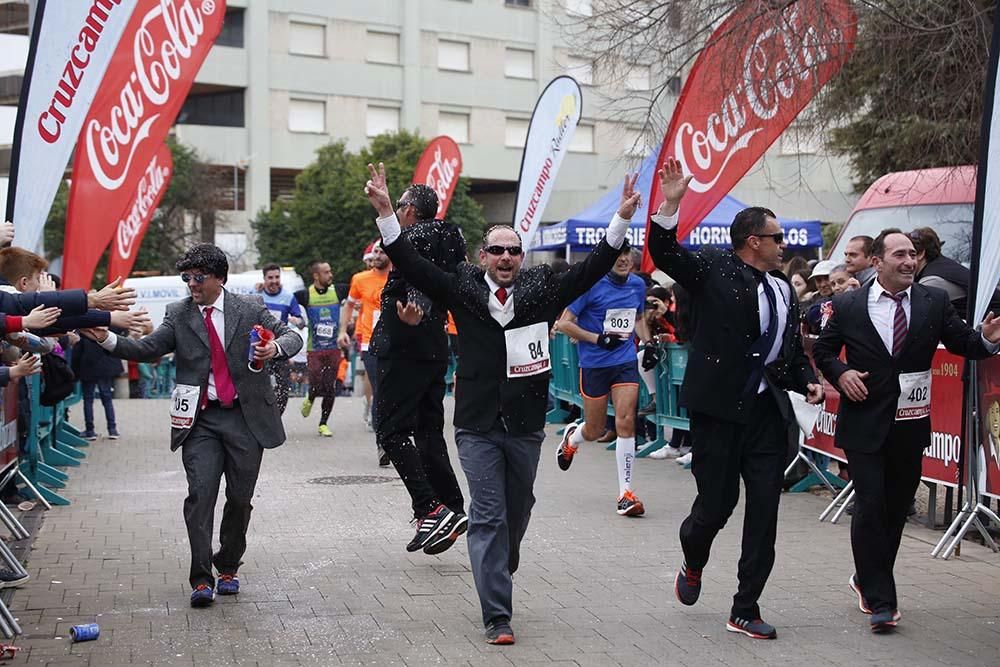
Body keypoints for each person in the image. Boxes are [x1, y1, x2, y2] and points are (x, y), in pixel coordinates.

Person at [365, 162, 642, 645]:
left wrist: (620, 219)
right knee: (488, 513)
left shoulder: (541, 289)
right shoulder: (462, 288)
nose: (507, 257)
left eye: (514, 250)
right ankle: (497, 614)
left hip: (526, 423)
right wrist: (388, 213)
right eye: (497, 250)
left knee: (518, 510)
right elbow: (411, 263)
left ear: (521, 256)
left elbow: (593, 267)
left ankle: (500, 560)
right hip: (475, 424)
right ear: (483, 256)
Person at [645, 158, 824, 641]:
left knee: (765, 510)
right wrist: (672, 201)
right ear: (753, 242)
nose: (783, 245)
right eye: (776, 237)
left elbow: (785, 354)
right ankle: (694, 558)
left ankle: (745, 607)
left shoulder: (784, 288)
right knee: (716, 505)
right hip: (719, 412)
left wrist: (805, 378)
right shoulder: (713, 269)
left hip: (766, 414)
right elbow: (663, 251)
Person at [80, 243, 302, 608]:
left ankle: (228, 565)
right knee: (200, 496)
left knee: (240, 500)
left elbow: (292, 336)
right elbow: (148, 348)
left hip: (245, 419)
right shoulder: (178, 313)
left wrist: (274, 348)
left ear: (219, 278)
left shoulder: (249, 308)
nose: (191, 285)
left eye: (198, 278)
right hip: (201, 421)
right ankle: (201, 579)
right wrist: (106, 338)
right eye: (186, 278)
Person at [812, 228, 1000, 633]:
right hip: (864, 422)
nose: (909, 261)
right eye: (899, 254)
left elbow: (964, 342)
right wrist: (842, 374)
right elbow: (825, 352)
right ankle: (882, 600)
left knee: (896, 509)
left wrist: (985, 340)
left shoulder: (934, 301)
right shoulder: (848, 304)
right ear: (877, 262)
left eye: (913, 254)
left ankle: (867, 577)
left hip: (910, 425)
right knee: (870, 504)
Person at [367, 182, 469, 557]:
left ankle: (429, 506)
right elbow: (437, 276)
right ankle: (452, 509)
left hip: (405, 345)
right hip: (432, 348)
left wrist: (416, 306)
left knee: (390, 430)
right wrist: (424, 306)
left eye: (401, 207)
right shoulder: (449, 234)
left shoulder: (416, 234)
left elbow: (416, 273)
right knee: (427, 432)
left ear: (409, 211)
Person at [555, 242, 653, 517]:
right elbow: (564, 323)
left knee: (626, 421)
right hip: (594, 364)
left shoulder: (637, 285)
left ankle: (625, 493)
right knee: (595, 430)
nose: (623, 260)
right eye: (617, 255)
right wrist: (597, 338)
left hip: (624, 362)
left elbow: (639, 318)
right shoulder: (591, 285)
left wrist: (649, 342)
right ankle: (573, 438)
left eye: (626, 255)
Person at [338, 241, 390, 465]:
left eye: (381, 252)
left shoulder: (402, 276)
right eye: (375, 252)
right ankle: (383, 444)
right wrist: (343, 330)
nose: (376, 255)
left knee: (395, 393)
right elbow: (349, 305)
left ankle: (395, 436)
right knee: (381, 390)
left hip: (399, 345)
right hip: (370, 344)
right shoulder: (360, 279)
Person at [294, 261, 341, 437]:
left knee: (329, 387)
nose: (331, 275)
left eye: (330, 272)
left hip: (333, 348)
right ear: (316, 276)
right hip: (315, 349)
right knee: (316, 383)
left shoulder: (337, 291)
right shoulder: (306, 295)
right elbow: (286, 299)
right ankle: (310, 397)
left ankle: (323, 423)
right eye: (326, 272)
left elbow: (358, 292)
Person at [258, 263, 304, 415]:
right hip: (260, 348)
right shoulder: (256, 296)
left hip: (279, 348)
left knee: (283, 387)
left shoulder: (288, 297)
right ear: (264, 279)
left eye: (277, 277)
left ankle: (276, 419)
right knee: (258, 386)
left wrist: (298, 321)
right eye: (270, 278)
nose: (274, 281)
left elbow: (301, 321)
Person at [71, 327, 124, 440]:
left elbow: (76, 353)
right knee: (107, 398)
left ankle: (90, 431)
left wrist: (74, 374)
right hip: (105, 367)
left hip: (88, 367)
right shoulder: (107, 326)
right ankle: (112, 430)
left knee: (88, 400)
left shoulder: (83, 329)